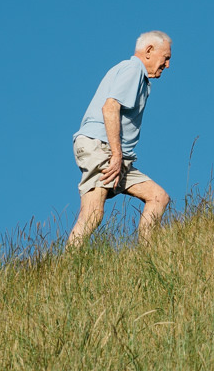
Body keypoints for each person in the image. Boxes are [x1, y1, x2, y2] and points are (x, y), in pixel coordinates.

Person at [67, 30, 174, 246]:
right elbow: (110, 107)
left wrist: (119, 156)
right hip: (102, 147)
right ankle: (68, 267)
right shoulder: (133, 69)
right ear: (149, 51)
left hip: (113, 152)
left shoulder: (139, 76)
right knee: (93, 212)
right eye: (166, 58)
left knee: (158, 197)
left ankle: (146, 256)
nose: (167, 64)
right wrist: (116, 155)